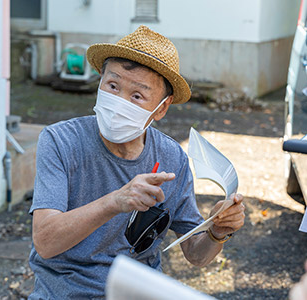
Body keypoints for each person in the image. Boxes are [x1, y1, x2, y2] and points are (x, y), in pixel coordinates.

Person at [28, 25, 245, 299]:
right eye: (113, 85)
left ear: (162, 107)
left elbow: (196, 254)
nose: (119, 102)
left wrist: (217, 230)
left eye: (137, 96)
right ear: (100, 81)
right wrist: (115, 201)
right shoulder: (60, 141)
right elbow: (46, 242)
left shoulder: (171, 158)